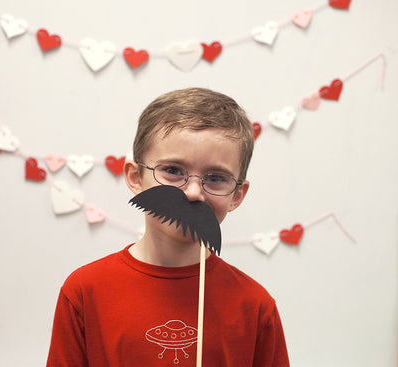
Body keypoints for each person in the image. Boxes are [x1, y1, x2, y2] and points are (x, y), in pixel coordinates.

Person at [46, 88, 289, 366]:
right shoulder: (84, 292)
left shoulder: (255, 306)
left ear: (237, 195)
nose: (194, 192)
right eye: (173, 171)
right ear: (136, 177)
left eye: (216, 178)